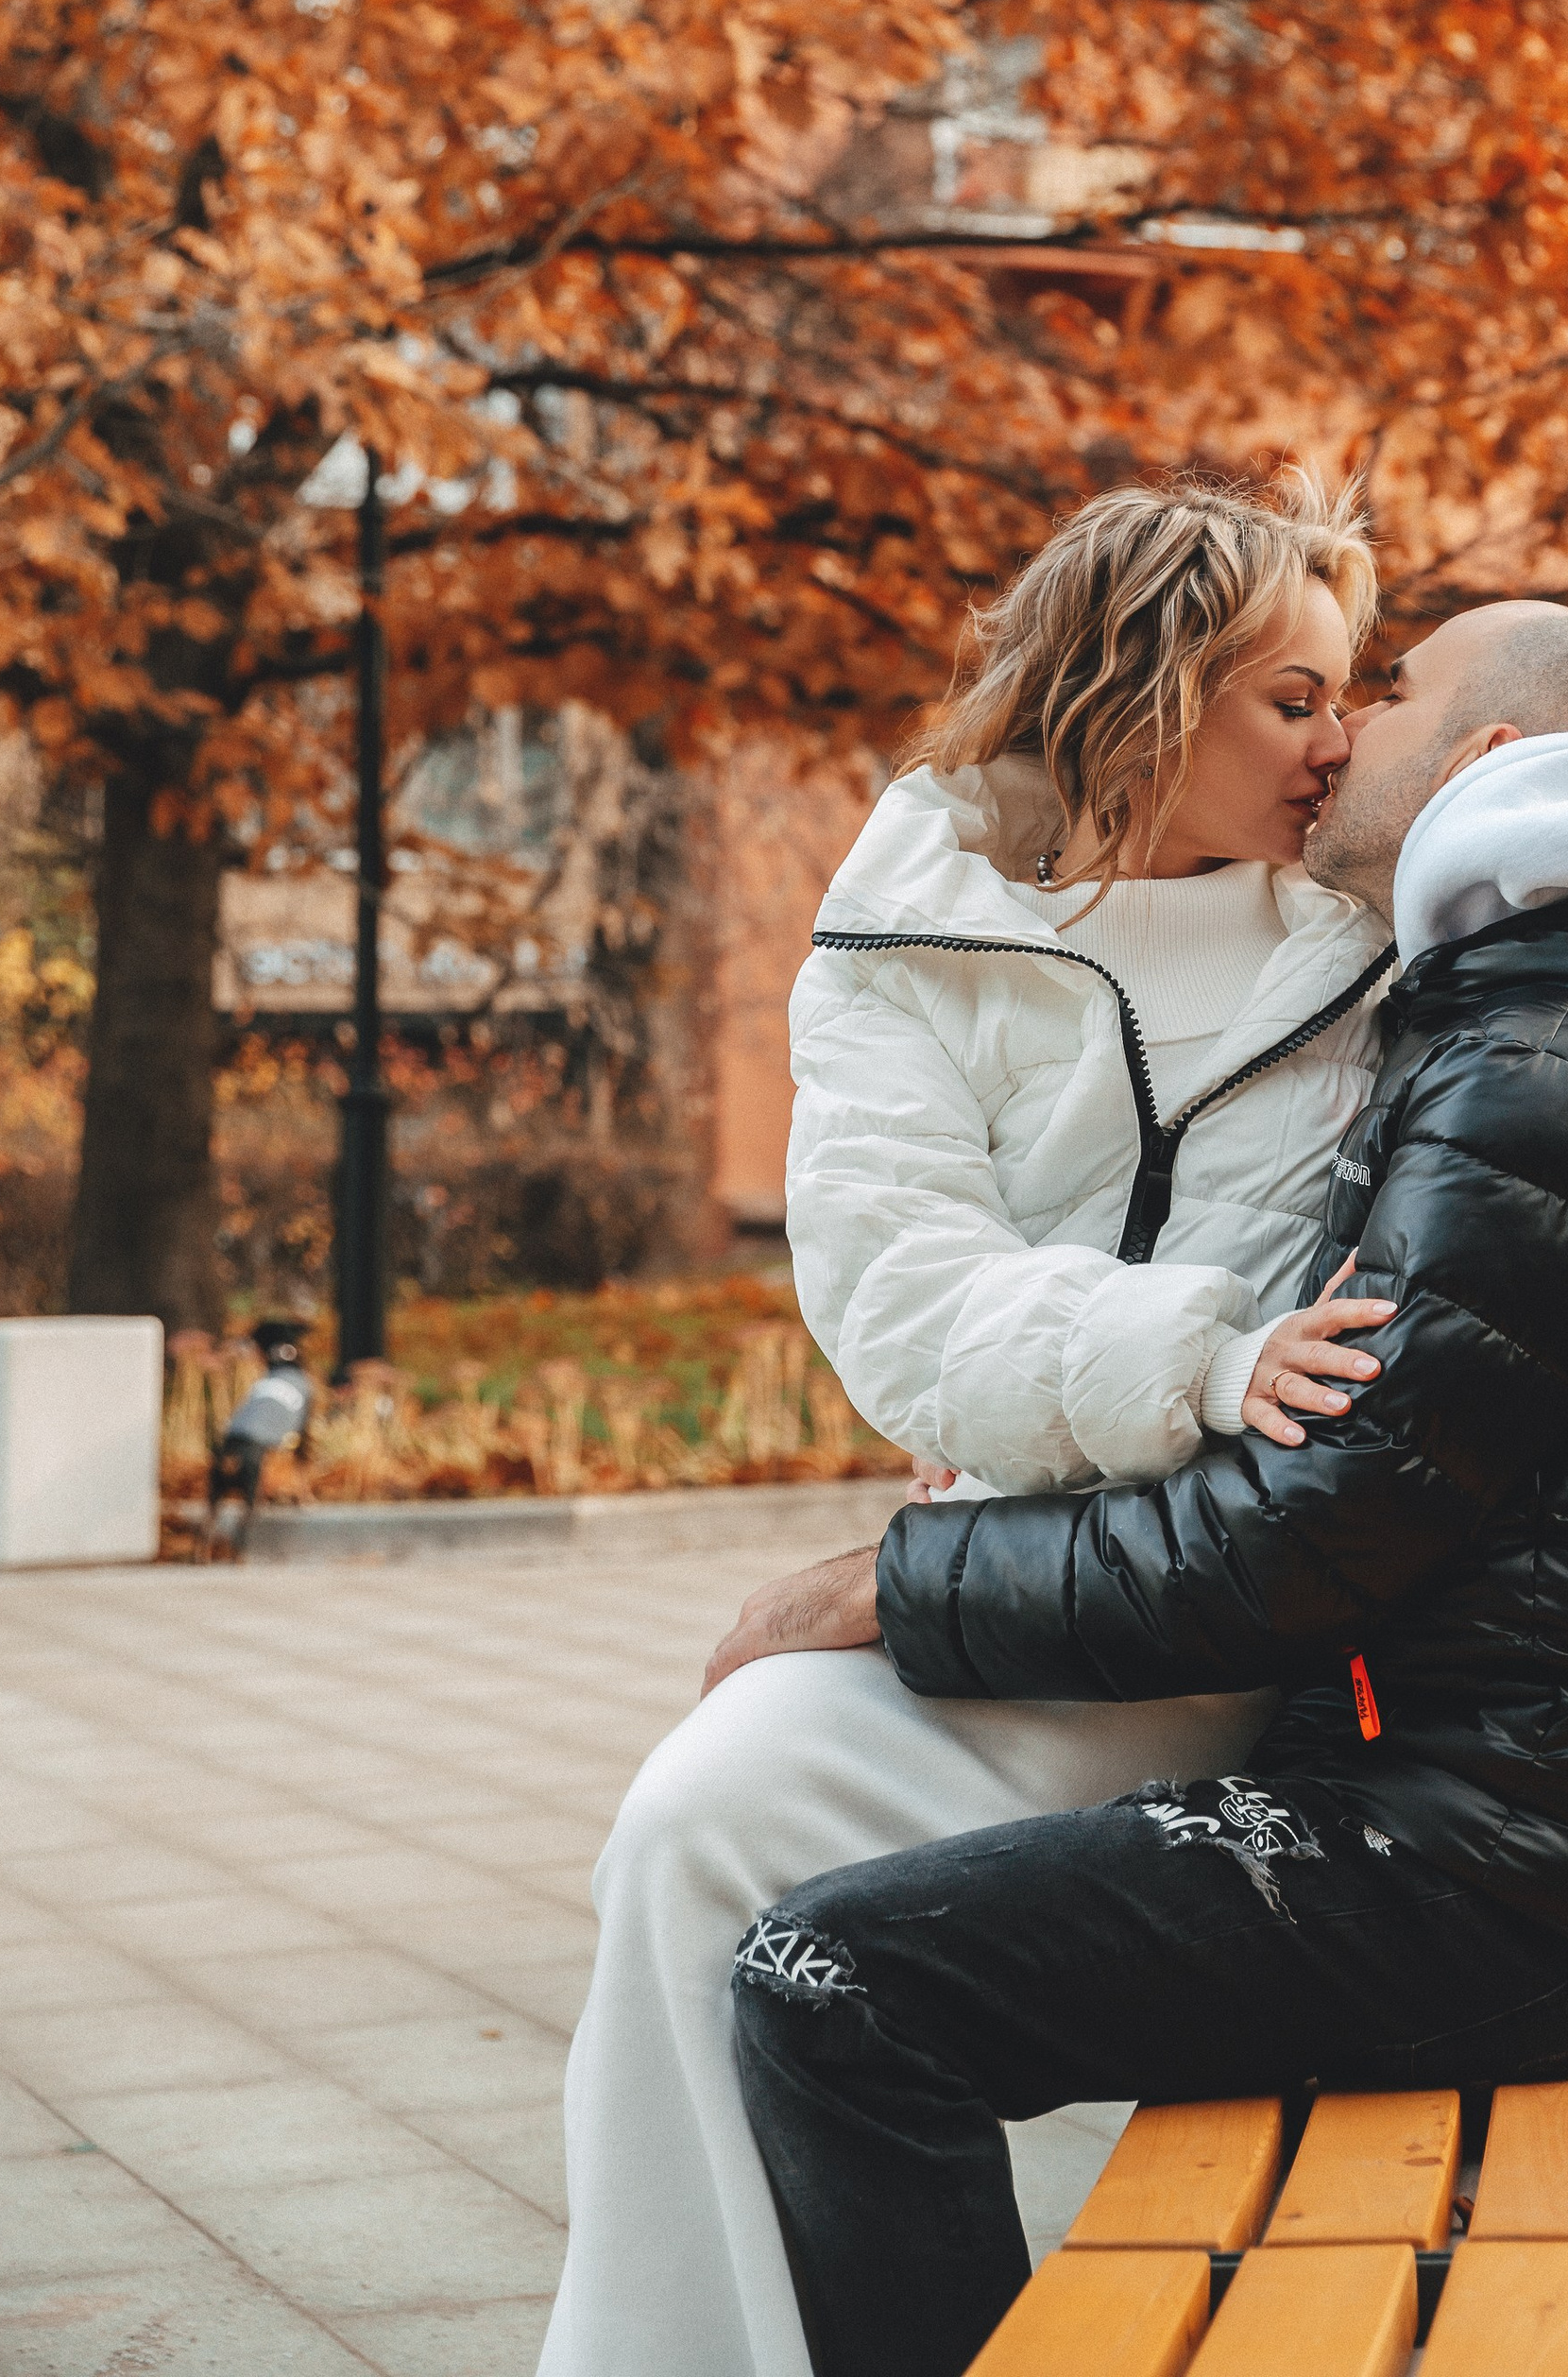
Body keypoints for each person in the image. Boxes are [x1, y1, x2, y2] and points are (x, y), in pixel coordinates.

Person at [710, 598, 1568, 2377]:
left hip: (1515, 1874)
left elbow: (1296, 1544)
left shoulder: (1550, 1074)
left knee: (839, 1988)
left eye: (1386, 695)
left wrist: (893, 1581)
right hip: (1557, 1828)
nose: (1342, 736)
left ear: (1483, 765)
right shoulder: (1552, 1024)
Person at [538, 473, 1401, 2377]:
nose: (1340, 744)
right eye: (1289, 699)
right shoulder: (906, 927)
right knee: (692, 1822)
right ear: (1138, 690)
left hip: (1210, 1617)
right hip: (1015, 1572)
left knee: (758, 1847)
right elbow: (899, 1290)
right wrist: (1187, 1358)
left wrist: (1044, 1459)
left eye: (1349, 697)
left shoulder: (1370, 931)